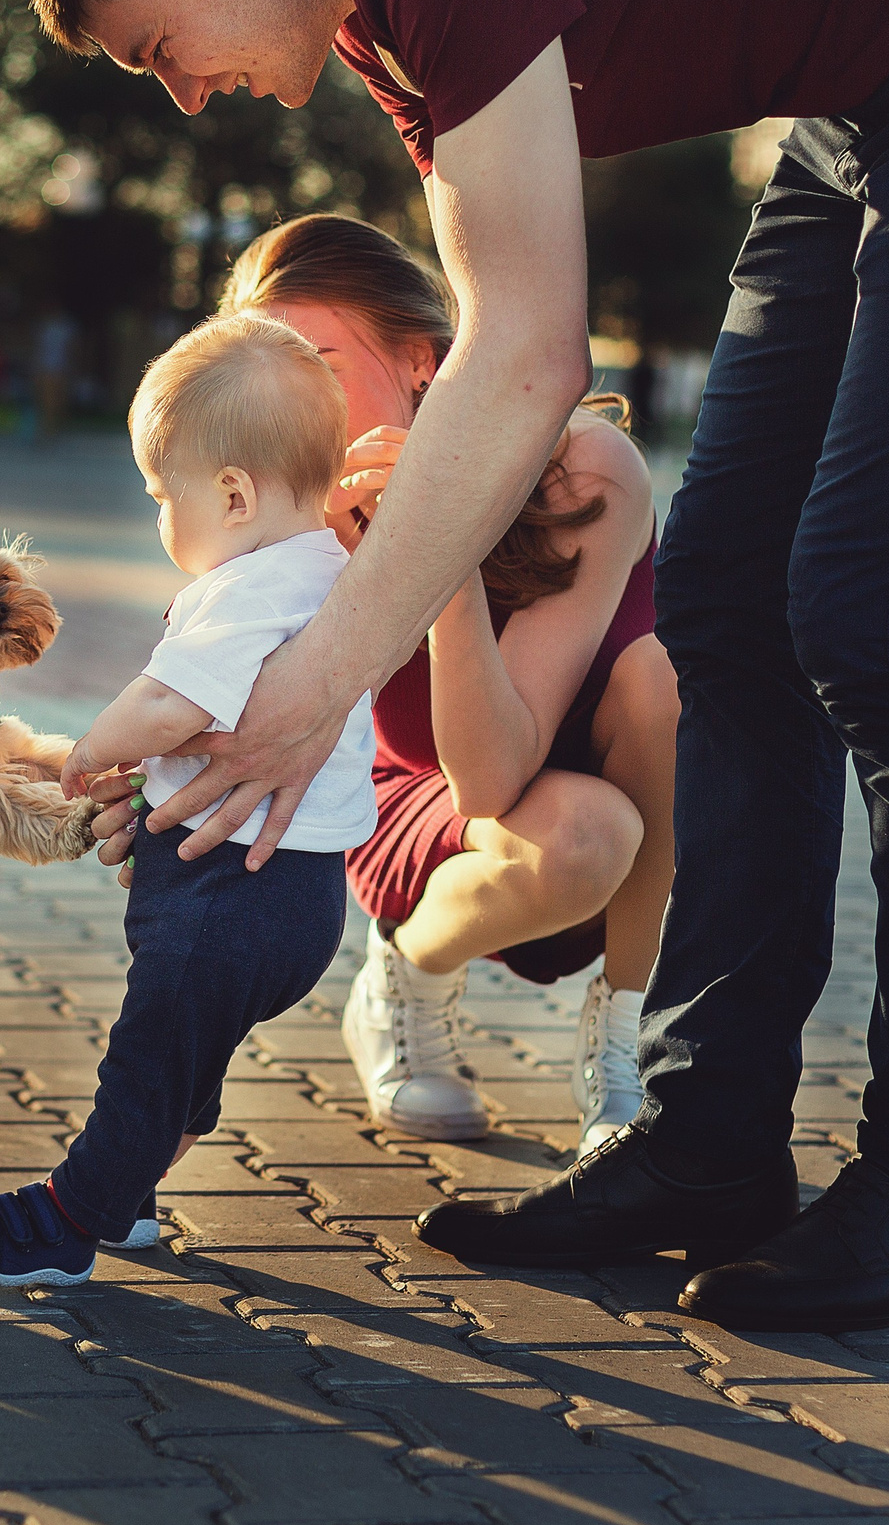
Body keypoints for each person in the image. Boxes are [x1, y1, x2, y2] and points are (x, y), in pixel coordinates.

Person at [26, 0, 889, 1329]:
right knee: (726, 603)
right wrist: (281, 670)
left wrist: (317, 680)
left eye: (159, 46)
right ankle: (710, 1142)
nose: (182, 92)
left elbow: (533, 355)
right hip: (868, 100)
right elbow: (494, 339)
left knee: (882, 611)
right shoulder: (375, 17)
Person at [222, 214, 676, 1159]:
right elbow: (476, 790)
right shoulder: (293, 495)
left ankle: (634, 1056)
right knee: (588, 834)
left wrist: (442, 543)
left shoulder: (579, 471)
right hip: (424, 808)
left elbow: (507, 762)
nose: (291, 401)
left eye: (320, 360)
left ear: (421, 359)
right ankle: (407, 974)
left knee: (664, 681)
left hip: (585, 784)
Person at [0, 313, 377, 1286]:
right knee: (185, 1058)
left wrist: (93, 746)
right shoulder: (332, 576)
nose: (157, 519)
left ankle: (65, 1219)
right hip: (300, 898)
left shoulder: (247, 588)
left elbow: (173, 699)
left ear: (231, 494)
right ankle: (131, 1193)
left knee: (148, 1059)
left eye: (156, 497)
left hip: (228, 893)